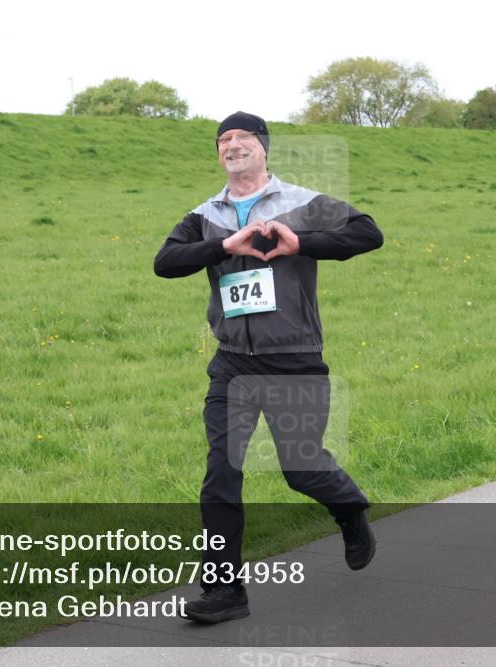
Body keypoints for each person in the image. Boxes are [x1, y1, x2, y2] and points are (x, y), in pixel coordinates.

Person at [153, 111, 383, 624]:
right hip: (232, 364)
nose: (232, 145)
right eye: (223, 140)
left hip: (294, 360)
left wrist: (301, 242)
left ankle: (349, 508)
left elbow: (369, 233)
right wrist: (223, 246)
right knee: (221, 475)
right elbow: (165, 262)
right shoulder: (204, 214)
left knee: (301, 470)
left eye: (243, 138)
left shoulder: (303, 203)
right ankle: (224, 591)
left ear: (263, 149)